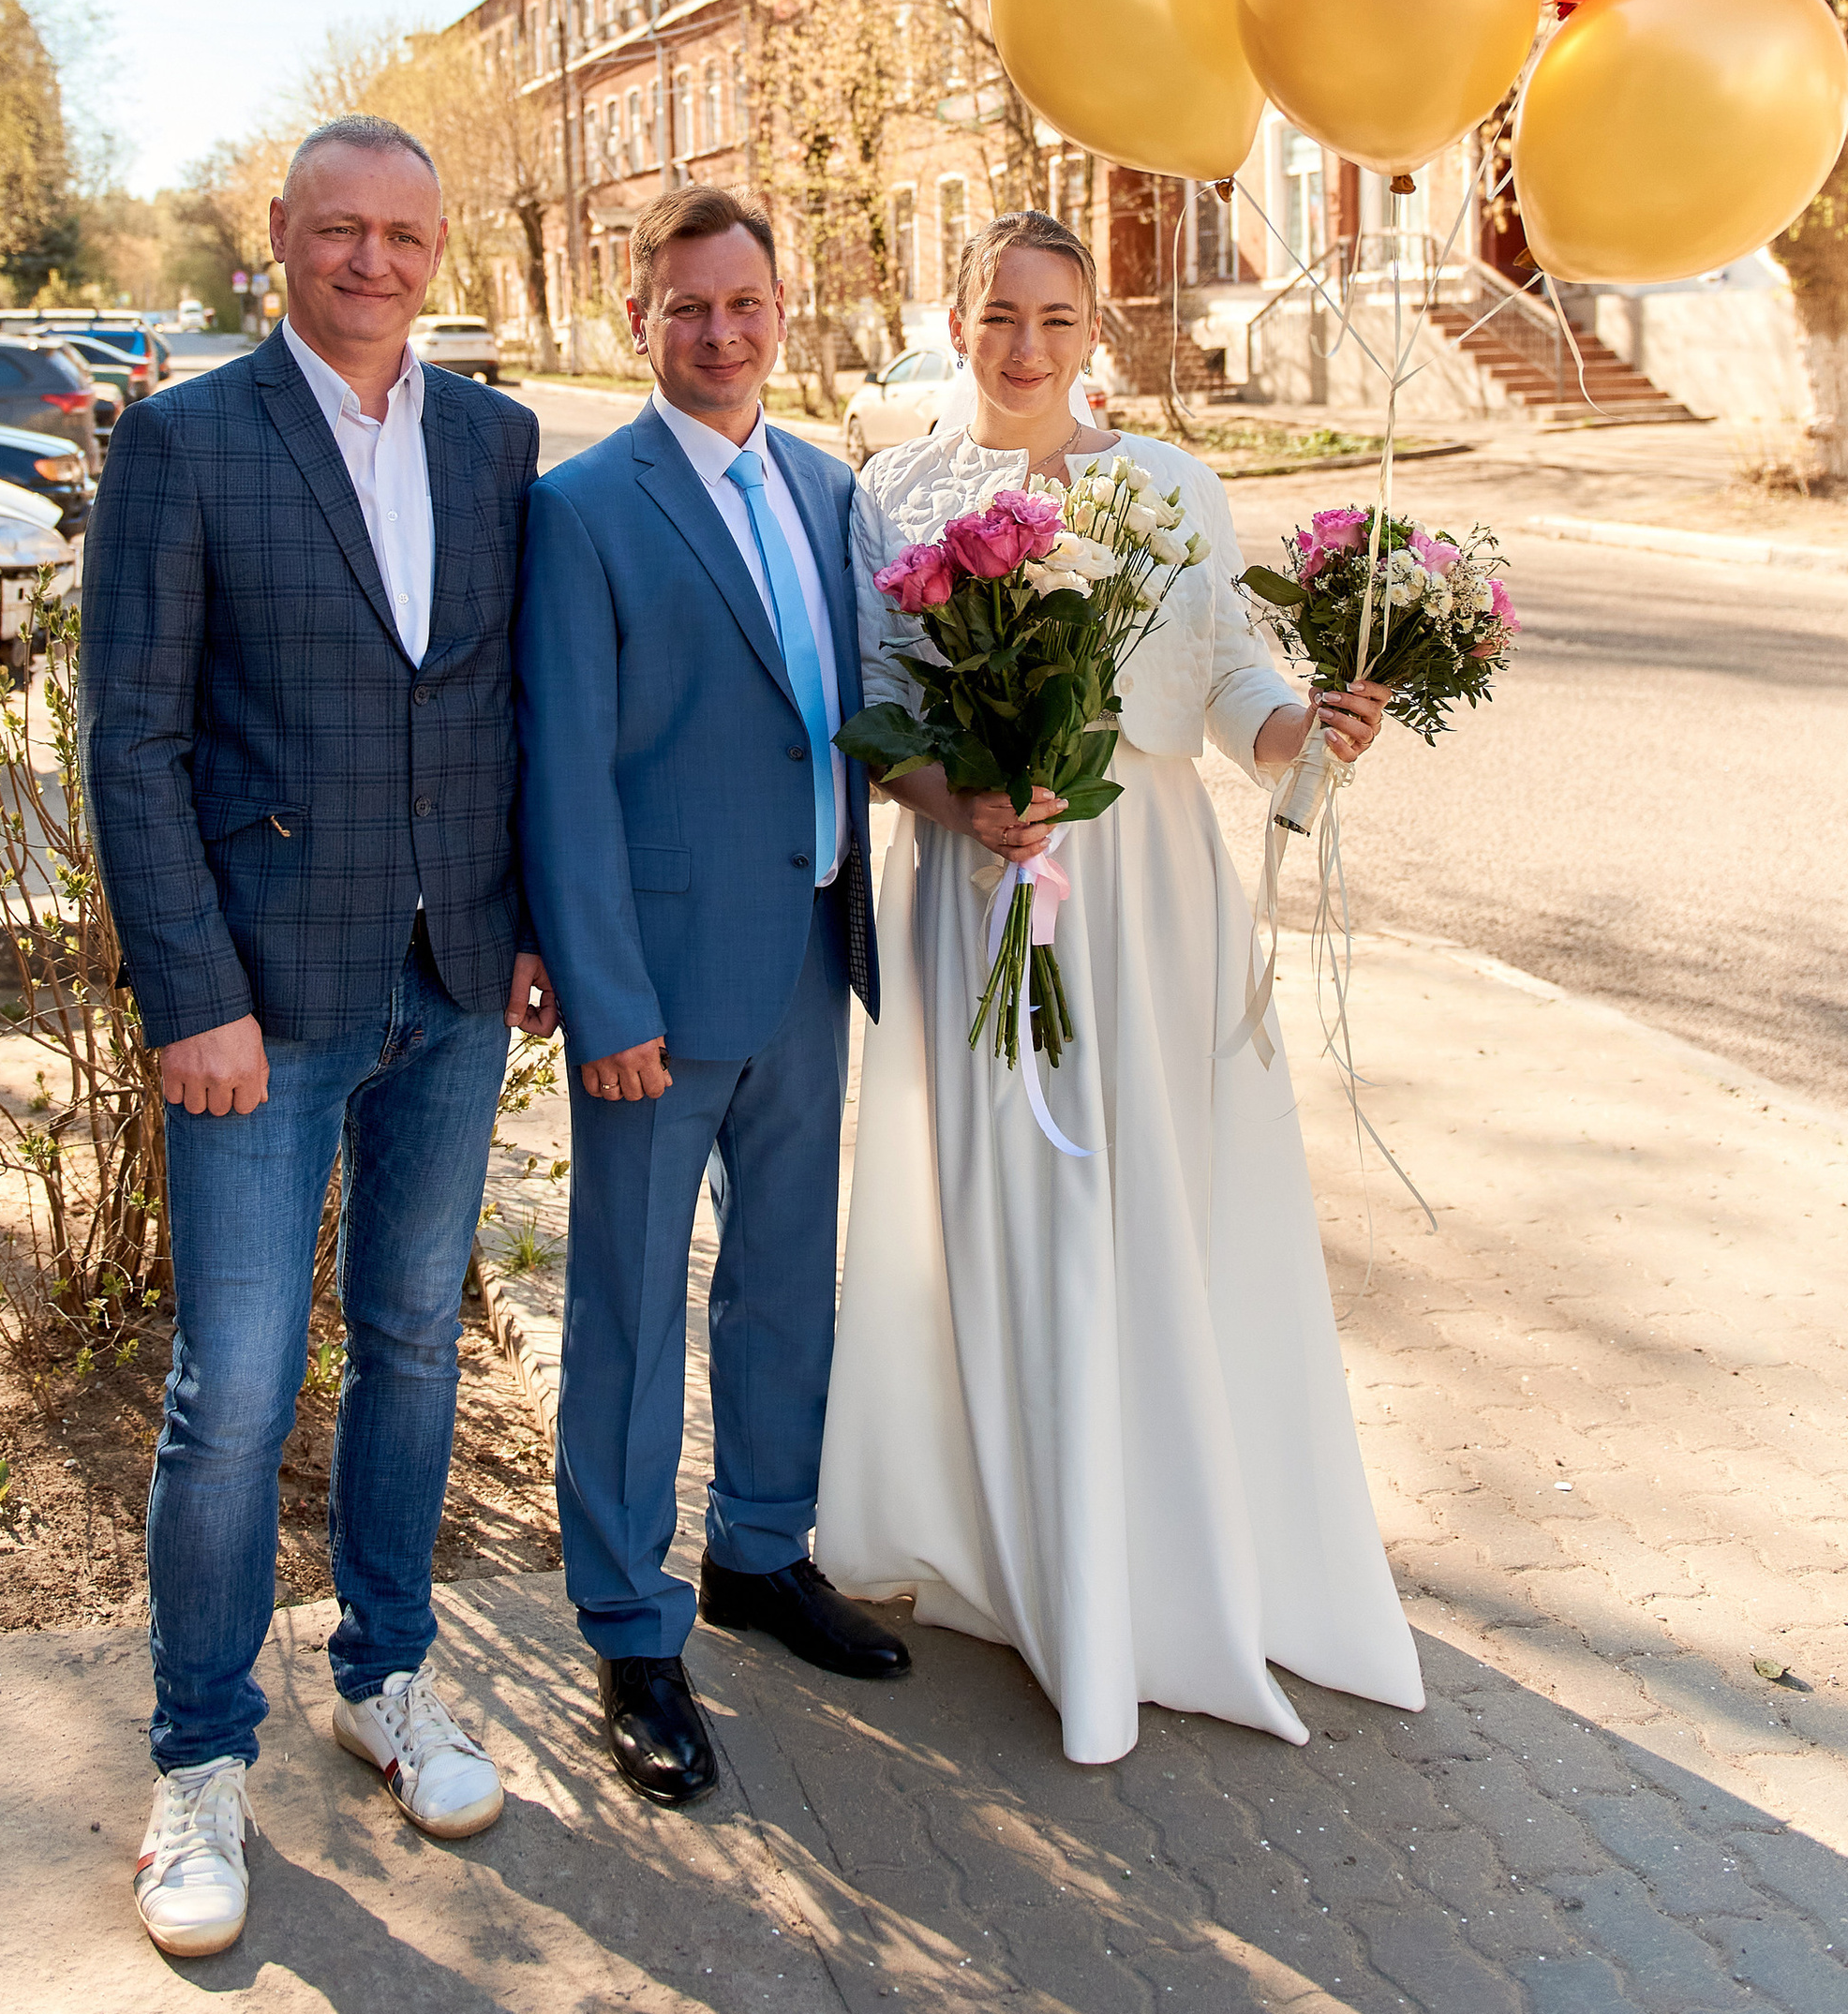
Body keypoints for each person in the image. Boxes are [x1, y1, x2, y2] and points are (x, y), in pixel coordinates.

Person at [816, 209, 1424, 1766]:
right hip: (978, 895)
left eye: (1058, 319)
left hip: (1145, 895)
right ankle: (1024, 1548)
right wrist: (964, 801)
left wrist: (1305, 732)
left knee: (1144, 1203)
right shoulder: (892, 489)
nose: (1025, 346)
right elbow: (874, 718)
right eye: (998, 314)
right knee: (1012, 1210)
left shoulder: (1168, 485)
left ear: (1099, 334)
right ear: (957, 319)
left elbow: (1226, 682)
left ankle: (1157, 1556)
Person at [82, 113, 556, 1957]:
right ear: (277, 233)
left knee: (417, 1345)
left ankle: (387, 1676)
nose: (372, 259)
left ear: (441, 251)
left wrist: (533, 929)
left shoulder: (495, 441)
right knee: (236, 1389)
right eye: (338, 227)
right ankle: (200, 1761)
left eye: (403, 234)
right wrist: (189, 993)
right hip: (260, 1006)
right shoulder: (188, 439)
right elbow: (132, 740)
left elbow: (507, 708)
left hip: (453, 981)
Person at [515, 184, 903, 1806]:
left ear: (781, 311)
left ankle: (758, 1547)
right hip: (656, 987)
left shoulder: (829, 489)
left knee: (786, 1276)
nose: (721, 332)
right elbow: (562, 773)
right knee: (629, 1301)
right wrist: (604, 997)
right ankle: (628, 1622)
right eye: (689, 307)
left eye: (745, 304)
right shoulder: (582, 508)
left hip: (812, 945)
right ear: (641, 321)